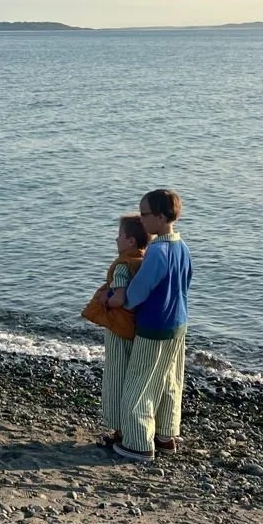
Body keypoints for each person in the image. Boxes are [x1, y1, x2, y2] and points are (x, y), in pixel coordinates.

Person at [106, 188, 192, 462]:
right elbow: (186, 283)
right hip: (178, 324)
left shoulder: (157, 251)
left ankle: (138, 443)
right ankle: (166, 436)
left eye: (144, 214)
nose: (141, 219)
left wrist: (119, 303)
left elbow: (138, 293)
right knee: (169, 382)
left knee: (139, 385)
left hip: (154, 325)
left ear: (159, 216)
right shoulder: (182, 246)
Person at [96, 214, 150, 447]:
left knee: (116, 377)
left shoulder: (122, 266)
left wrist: (104, 300)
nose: (116, 239)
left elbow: (119, 297)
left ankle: (118, 431)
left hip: (118, 329)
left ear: (129, 241)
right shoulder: (143, 261)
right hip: (138, 328)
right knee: (133, 377)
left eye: (119, 236)